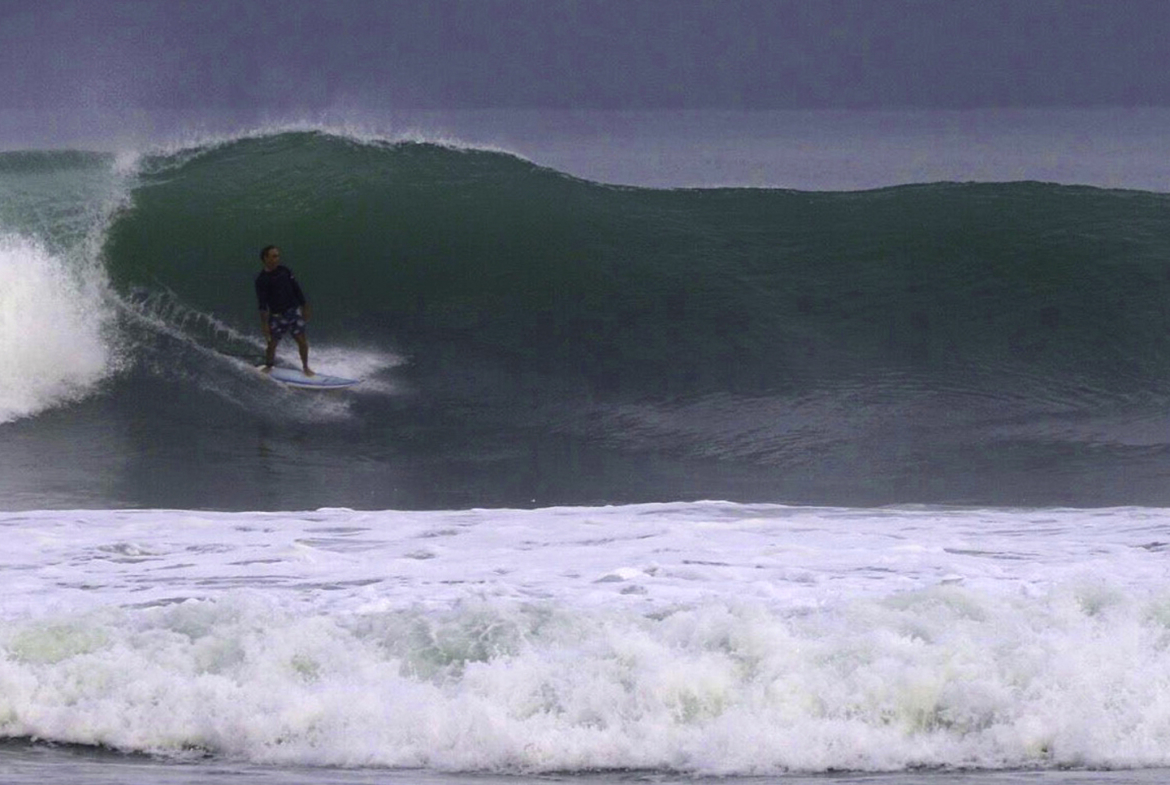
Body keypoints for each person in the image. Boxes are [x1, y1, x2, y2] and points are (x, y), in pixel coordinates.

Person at [255, 245, 313, 375]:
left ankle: (305, 367)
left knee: (302, 341)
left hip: (293, 312)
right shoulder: (262, 279)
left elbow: (296, 288)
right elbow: (262, 304)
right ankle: (269, 366)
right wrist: (264, 325)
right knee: (272, 344)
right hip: (276, 316)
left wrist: (305, 306)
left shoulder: (284, 271)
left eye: (278, 256)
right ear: (266, 258)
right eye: (274, 256)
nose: (277, 258)